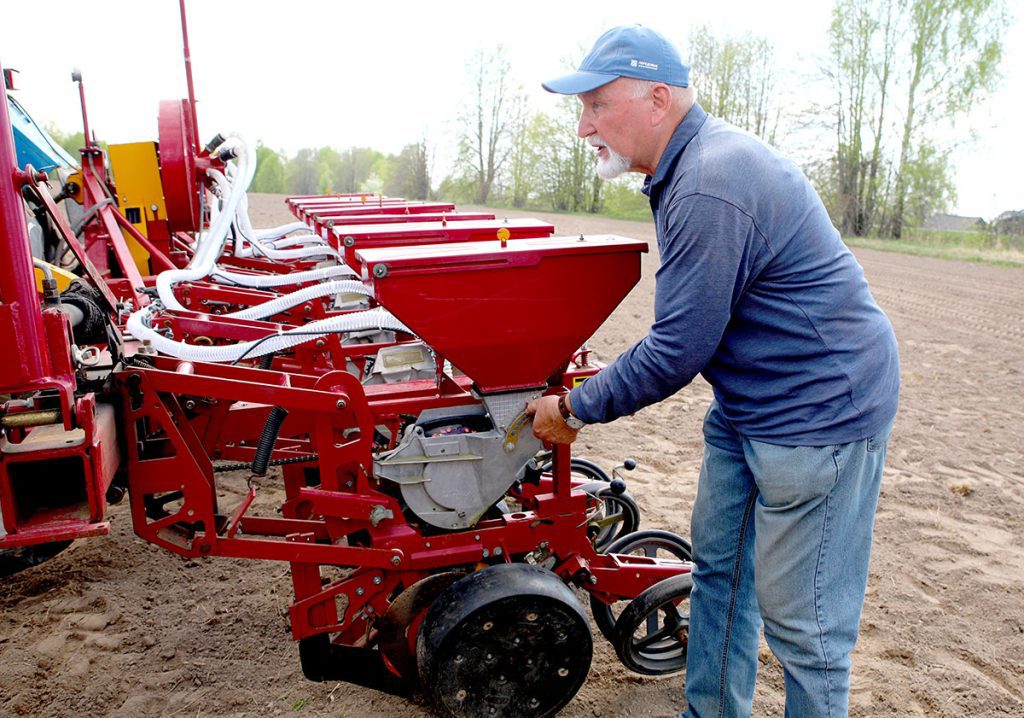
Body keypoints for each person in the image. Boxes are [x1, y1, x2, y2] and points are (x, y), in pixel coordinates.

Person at [526, 25, 899, 718]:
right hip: (751, 402)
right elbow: (695, 333)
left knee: (806, 625)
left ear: (657, 99)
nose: (583, 127)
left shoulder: (708, 181)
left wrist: (574, 408)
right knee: (721, 577)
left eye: (597, 106)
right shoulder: (691, 166)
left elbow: (677, 349)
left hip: (822, 412)